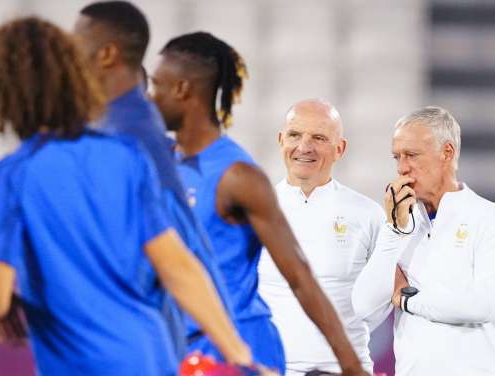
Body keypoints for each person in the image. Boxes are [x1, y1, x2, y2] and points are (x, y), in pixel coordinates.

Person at [0, 16, 252, 375]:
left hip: (80, 364)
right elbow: (178, 266)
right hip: (151, 355)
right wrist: (239, 354)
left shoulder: (10, 176)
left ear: (3, 90)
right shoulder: (126, 154)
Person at [150, 31, 370, 376]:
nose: (151, 97)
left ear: (183, 90)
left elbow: (299, 276)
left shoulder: (238, 176)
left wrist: (352, 366)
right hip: (182, 347)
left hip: (240, 351)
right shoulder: (164, 165)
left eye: (156, 85)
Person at [71, 1, 234, 360]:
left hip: (134, 342)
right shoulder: (109, 128)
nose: (68, 53)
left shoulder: (132, 136)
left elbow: (182, 247)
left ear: (107, 53)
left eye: (76, 41)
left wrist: (233, 350)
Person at [351, 106, 495, 376]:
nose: (402, 168)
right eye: (397, 157)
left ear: (447, 152)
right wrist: (394, 231)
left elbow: (482, 306)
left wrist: (406, 299)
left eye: (412, 155)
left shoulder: (492, 219)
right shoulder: (400, 227)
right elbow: (364, 308)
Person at [258, 100, 386, 375]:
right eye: (294, 135)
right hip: (271, 369)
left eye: (318, 137)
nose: (304, 147)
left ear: (340, 148)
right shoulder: (254, 211)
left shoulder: (369, 215)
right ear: (281, 140)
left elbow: (382, 301)